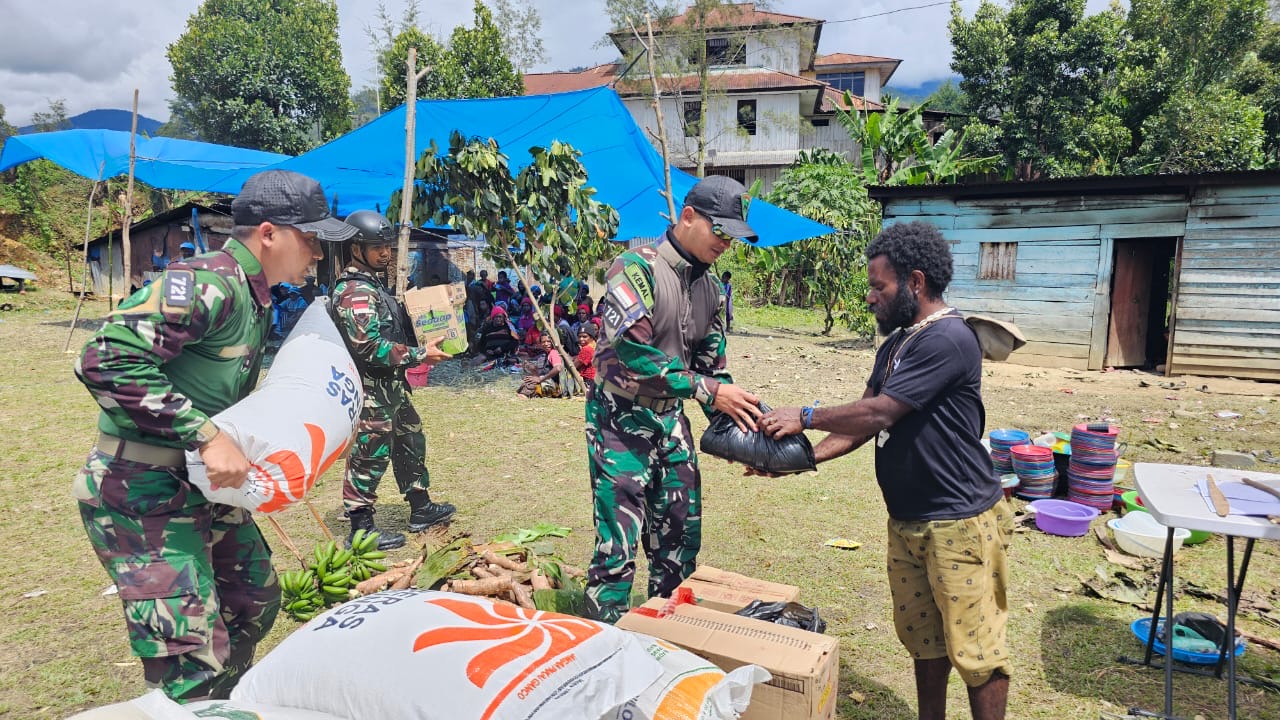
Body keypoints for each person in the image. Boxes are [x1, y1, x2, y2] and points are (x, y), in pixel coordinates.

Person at [72, 169, 352, 701]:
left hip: (205, 485)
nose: (317, 253)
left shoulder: (256, 295)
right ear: (268, 234)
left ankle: (217, 704)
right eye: (311, 238)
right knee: (189, 651)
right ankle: (191, 703)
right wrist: (204, 435)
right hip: (142, 490)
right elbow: (104, 357)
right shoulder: (210, 282)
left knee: (255, 599)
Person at [759, 220, 1011, 720]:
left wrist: (803, 416)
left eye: (880, 286)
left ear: (915, 283)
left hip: (958, 521)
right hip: (909, 520)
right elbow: (862, 417)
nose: (871, 297)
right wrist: (801, 458)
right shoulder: (897, 345)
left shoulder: (950, 339)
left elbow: (881, 414)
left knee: (978, 652)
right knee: (926, 640)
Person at [584, 175, 764, 623]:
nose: (726, 243)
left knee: (680, 546)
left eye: (733, 236)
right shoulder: (635, 267)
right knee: (617, 550)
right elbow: (630, 353)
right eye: (720, 231)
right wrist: (707, 389)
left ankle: (666, 642)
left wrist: (750, 436)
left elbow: (711, 369)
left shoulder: (709, 289)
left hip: (671, 425)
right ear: (688, 217)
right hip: (620, 422)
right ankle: (599, 651)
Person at [331, 210, 456, 551]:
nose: (385, 253)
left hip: (392, 386)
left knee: (410, 441)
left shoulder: (373, 286)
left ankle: (421, 507)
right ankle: (361, 527)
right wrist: (418, 356)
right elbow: (368, 346)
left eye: (387, 246)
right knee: (369, 455)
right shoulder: (355, 291)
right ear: (356, 248)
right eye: (377, 247)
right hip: (372, 389)